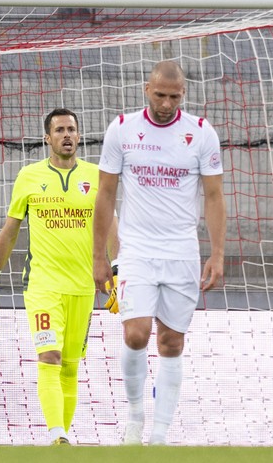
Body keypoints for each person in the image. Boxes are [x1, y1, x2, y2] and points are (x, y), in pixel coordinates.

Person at [92, 60, 227, 446]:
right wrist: (99, 256)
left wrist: (217, 254)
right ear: (146, 90)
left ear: (182, 94)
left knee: (171, 342)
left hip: (182, 250)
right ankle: (134, 415)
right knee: (136, 334)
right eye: (160, 95)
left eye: (174, 96)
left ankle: (160, 436)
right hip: (136, 249)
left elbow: (215, 196)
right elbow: (105, 192)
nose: (167, 103)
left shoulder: (201, 133)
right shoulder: (122, 128)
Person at [0, 108, 119, 445]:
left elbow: (111, 227)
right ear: (47, 137)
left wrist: (117, 272)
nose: (66, 135)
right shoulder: (29, 176)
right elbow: (10, 230)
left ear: (78, 136)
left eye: (71, 129)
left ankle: (61, 442)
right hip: (42, 285)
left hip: (82, 286)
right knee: (50, 357)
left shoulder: (96, 176)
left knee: (71, 366)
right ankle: (56, 434)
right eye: (59, 129)